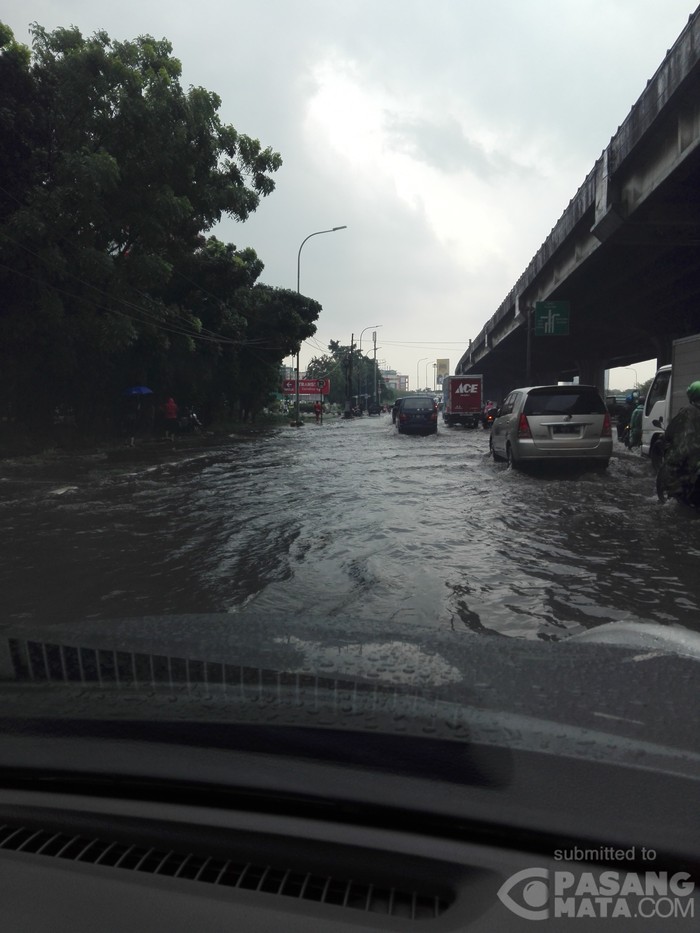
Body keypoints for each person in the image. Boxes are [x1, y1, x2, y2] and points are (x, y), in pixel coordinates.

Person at [657, 381, 700, 500]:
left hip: (690, 456)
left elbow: (671, 432)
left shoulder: (687, 411)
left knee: (673, 466)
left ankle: (675, 497)